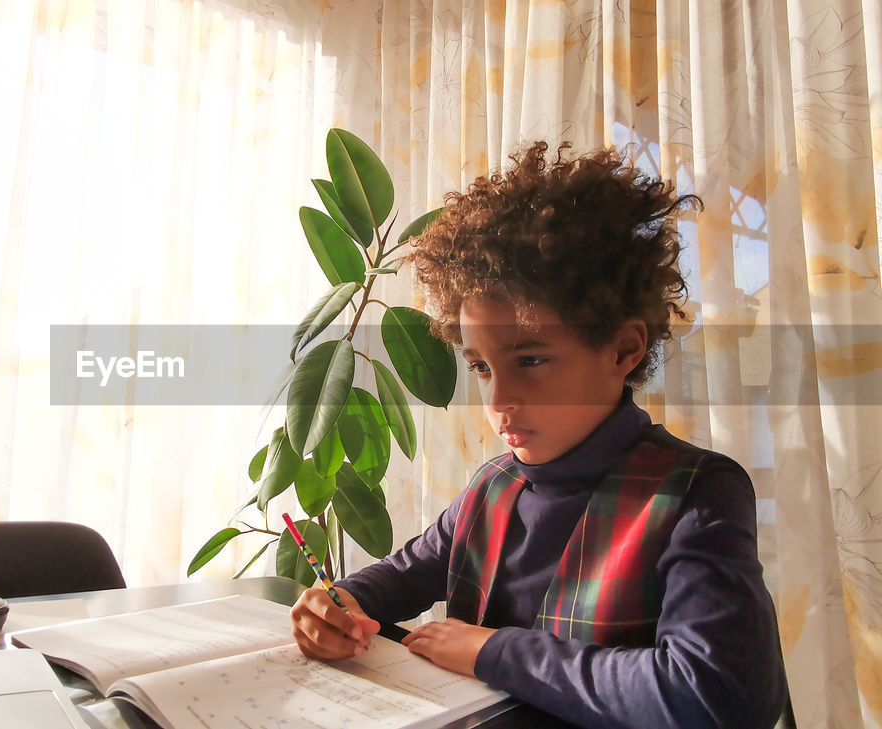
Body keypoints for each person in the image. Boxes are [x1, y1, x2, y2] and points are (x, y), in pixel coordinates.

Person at [288, 142, 788, 729]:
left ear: (623, 349)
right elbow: (402, 574)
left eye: (529, 360)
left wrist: (490, 650)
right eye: (480, 367)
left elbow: (719, 698)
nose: (498, 402)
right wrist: (335, 606)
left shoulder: (695, 494)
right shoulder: (493, 486)